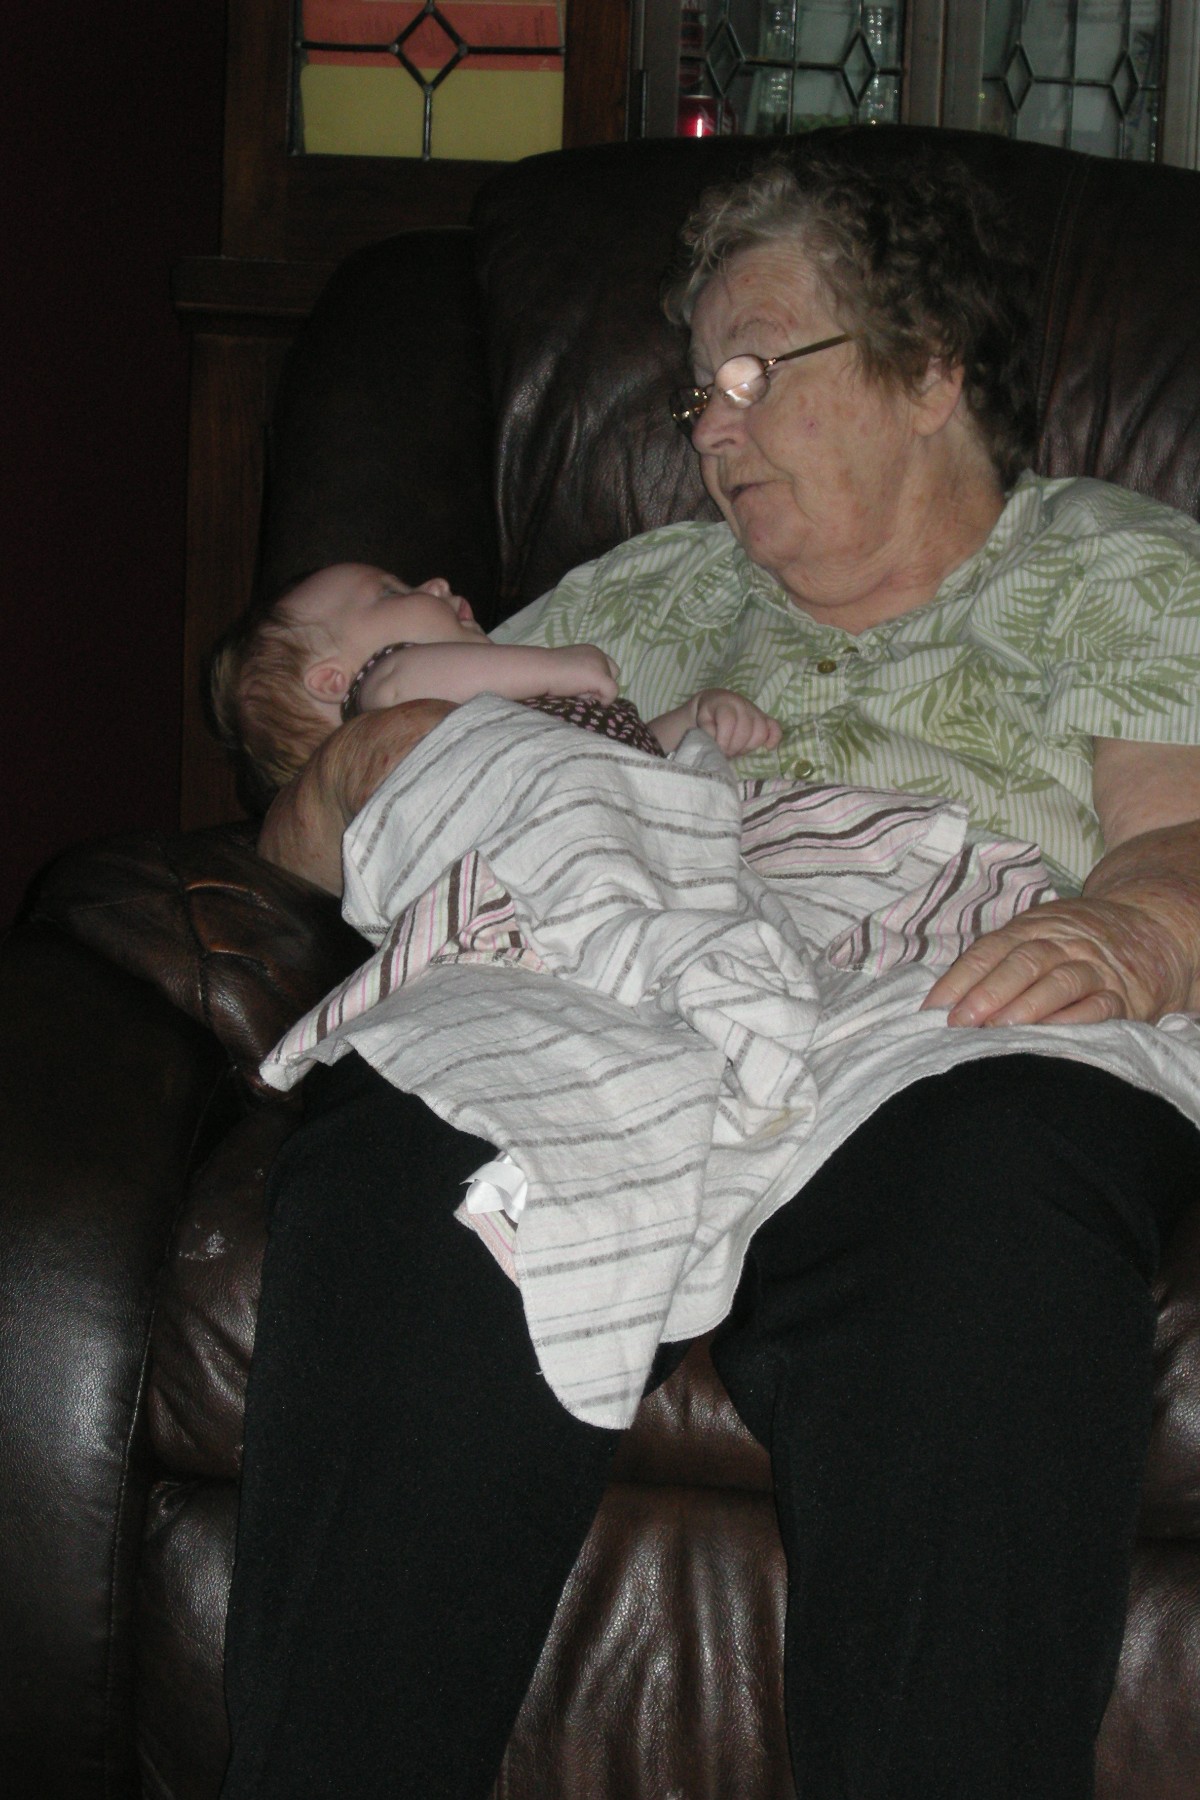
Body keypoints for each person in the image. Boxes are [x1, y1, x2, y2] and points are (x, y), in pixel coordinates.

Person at [219, 150, 1200, 1800]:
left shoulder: (1116, 563)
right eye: (694, 394)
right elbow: (342, 826)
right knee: (418, 1144)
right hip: (641, 961)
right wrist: (369, 761)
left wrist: (1135, 930)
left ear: (930, 369)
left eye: (754, 372)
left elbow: (1178, 839)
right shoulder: (650, 590)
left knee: (994, 1199)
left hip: (950, 995)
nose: (708, 430)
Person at [208, 561, 781, 794]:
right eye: (391, 593)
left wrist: (693, 721)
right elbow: (396, 684)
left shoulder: (519, 708)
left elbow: (621, 760)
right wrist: (552, 666)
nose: (435, 583)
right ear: (336, 682)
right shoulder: (383, 693)